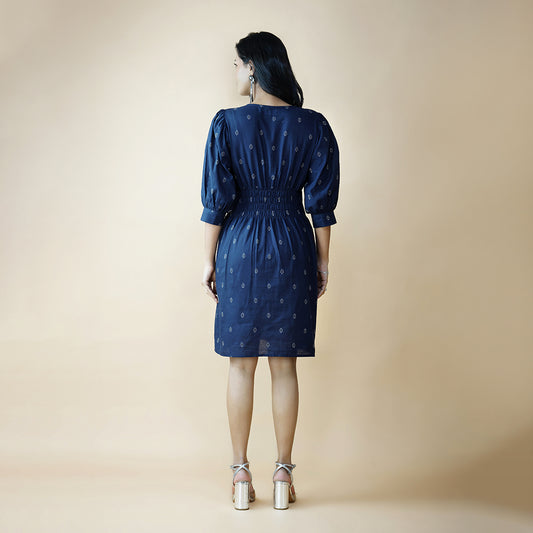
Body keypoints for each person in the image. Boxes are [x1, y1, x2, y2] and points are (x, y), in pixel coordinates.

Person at [200, 31, 340, 510]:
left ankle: (240, 475)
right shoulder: (313, 125)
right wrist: (322, 261)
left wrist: (208, 259)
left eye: (238, 64)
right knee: (285, 365)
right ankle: (283, 473)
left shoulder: (227, 123)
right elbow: (321, 205)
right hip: (292, 242)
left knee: (241, 364)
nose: (235, 72)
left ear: (254, 68)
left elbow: (216, 202)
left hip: (239, 244)